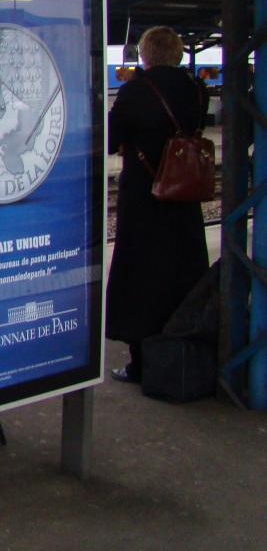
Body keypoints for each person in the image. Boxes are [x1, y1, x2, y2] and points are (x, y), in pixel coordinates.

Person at [106, 26, 210, 383]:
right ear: (179, 53)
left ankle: (140, 363)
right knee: (182, 273)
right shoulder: (196, 90)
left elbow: (110, 138)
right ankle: (181, 353)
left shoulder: (136, 90)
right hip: (184, 197)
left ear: (147, 54)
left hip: (145, 200)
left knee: (141, 278)